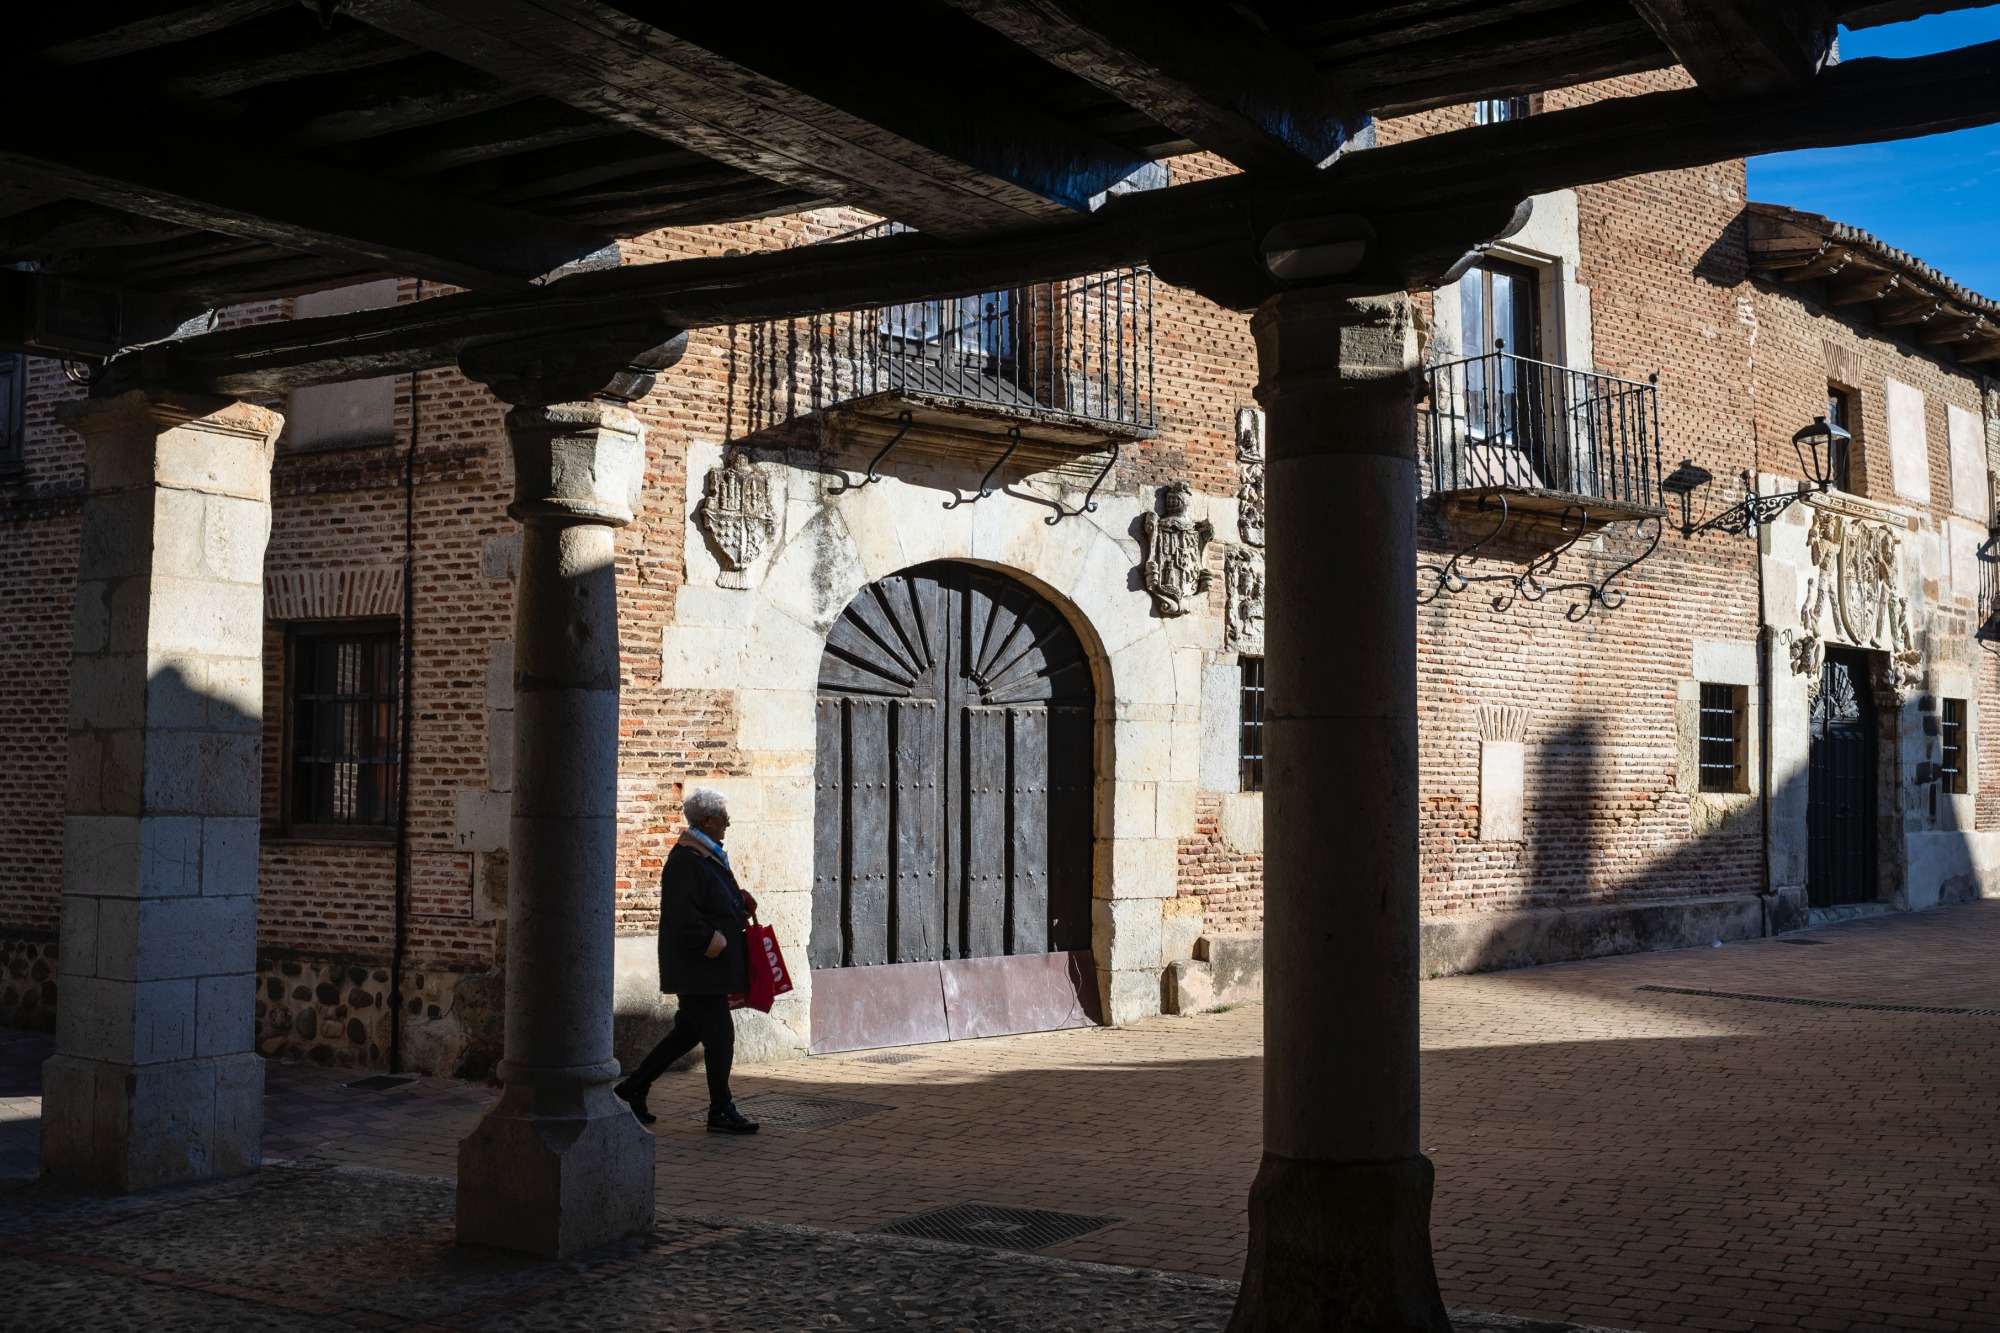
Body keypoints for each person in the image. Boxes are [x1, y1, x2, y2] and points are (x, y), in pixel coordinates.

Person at [614, 787, 761, 1133]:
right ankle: (721, 1110)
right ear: (707, 821)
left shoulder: (706, 855)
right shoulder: (687, 859)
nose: (729, 823)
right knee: (720, 1037)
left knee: (688, 1034)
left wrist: (737, 903)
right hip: (698, 967)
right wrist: (716, 942)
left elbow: (708, 899)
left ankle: (632, 1087)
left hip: (705, 966)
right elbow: (683, 916)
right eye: (724, 818)